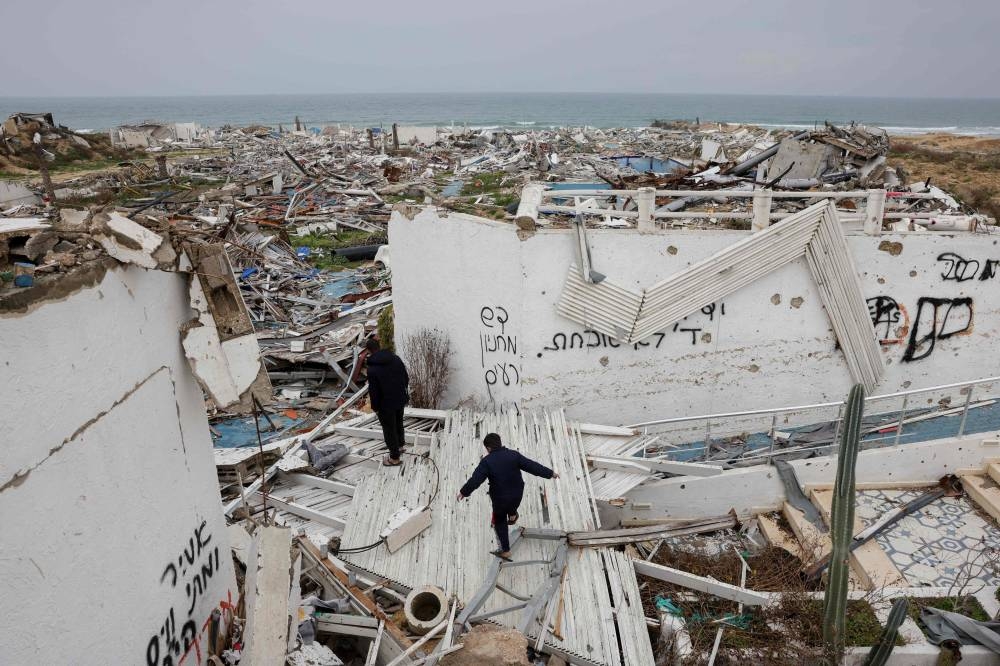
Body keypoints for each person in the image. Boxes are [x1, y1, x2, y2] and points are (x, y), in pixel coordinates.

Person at [457, 433, 559, 560]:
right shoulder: (513, 455)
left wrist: (463, 492)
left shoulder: (486, 462)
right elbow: (533, 466)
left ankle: (505, 550)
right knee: (511, 505)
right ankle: (512, 515)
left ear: (488, 448)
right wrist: (550, 473)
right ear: (500, 442)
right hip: (517, 494)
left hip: (500, 499)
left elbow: (475, 480)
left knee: (499, 521)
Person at [364, 337, 409, 466]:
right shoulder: (396, 359)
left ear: (368, 351)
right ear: (380, 345)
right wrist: (402, 393)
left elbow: (374, 391)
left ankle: (394, 458)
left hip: (385, 404)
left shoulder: (372, 369)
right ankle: (399, 446)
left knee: (389, 429)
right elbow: (406, 378)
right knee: (398, 423)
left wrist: (375, 406)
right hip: (400, 398)